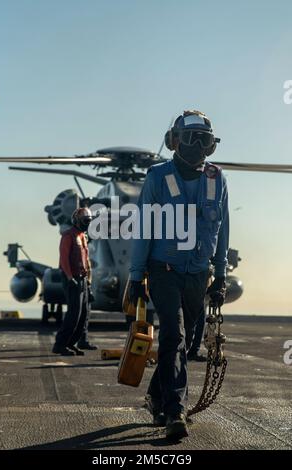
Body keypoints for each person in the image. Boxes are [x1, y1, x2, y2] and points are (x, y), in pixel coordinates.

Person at [128, 110, 229, 441]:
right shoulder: (158, 177)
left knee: (188, 342)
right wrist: (136, 275)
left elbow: (223, 230)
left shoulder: (217, 180)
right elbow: (143, 227)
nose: (198, 146)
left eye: (205, 140)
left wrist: (220, 275)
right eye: (192, 139)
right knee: (173, 334)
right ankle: (175, 411)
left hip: (199, 273)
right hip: (164, 270)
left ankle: (156, 396)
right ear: (175, 141)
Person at [53, 207, 97, 356]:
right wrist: (70, 278)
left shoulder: (83, 236)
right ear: (77, 220)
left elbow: (87, 260)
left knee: (83, 314)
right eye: (85, 221)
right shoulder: (68, 236)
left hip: (83, 279)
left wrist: (88, 283)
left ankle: (70, 343)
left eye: (89, 221)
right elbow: (63, 259)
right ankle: (60, 344)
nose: (87, 224)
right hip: (72, 279)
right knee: (74, 314)